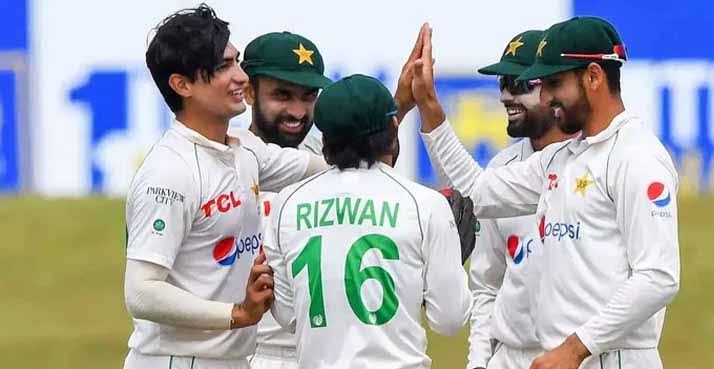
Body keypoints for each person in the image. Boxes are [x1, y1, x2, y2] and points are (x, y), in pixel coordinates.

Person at [409, 17, 680, 369]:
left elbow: (659, 277)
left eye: (555, 83)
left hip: (612, 359)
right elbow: (478, 191)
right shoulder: (561, 158)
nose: (547, 97)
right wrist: (429, 106)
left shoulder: (637, 157)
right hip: (561, 357)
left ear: (594, 77)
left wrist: (576, 348)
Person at [123, 5, 325, 369]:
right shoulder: (170, 172)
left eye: (236, 62)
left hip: (229, 359)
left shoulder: (244, 150)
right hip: (175, 360)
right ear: (181, 84)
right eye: (222, 67)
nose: (241, 77)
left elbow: (329, 166)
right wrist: (236, 313)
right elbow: (141, 292)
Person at [263, 74, 472, 369]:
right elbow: (449, 320)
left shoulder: (287, 202)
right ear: (393, 127)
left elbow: (289, 316)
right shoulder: (424, 204)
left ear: (324, 138)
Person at [465, 30, 574, 369]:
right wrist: (479, 362)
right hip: (513, 358)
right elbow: (486, 285)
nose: (505, 95)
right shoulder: (500, 169)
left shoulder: (597, 164)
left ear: (554, 88)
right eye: (502, 83)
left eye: (520, 84)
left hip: (580, 356)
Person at [238, 31, 332, 369]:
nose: (297, 111)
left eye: (308, 97)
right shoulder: (224, 161)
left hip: (321, 356)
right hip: (245, 354)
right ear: (248, 91)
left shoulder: (336, 165)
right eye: (282, 95)